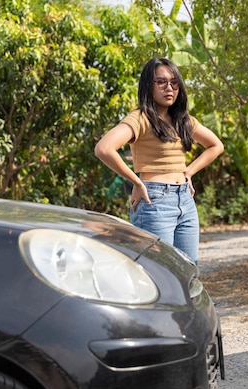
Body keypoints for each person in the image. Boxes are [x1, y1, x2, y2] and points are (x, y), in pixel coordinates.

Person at [95, 57, 224, 264]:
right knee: (159, 272)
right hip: (154, 201)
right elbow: (103, 148)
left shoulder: (183, 120)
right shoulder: (140, 118)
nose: (169, 88)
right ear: (149, 86)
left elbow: (216, 146)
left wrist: (188, 172)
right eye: (161, 82)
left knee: (189, 270)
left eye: (174, 82)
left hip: (185, 200)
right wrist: (136, 182)